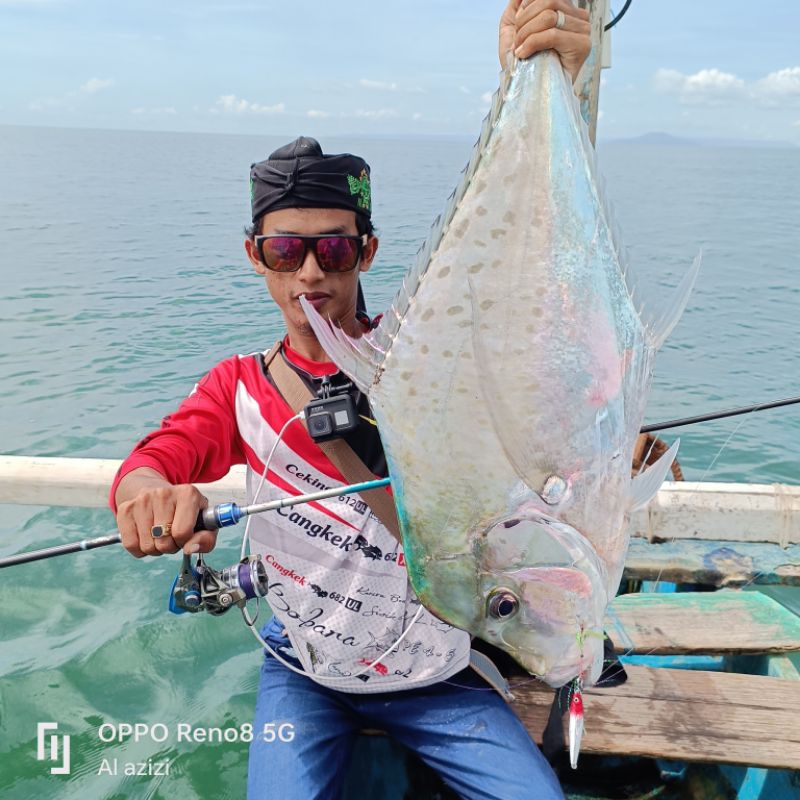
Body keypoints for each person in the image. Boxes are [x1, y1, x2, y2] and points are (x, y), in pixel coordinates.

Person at [111, 3, 591, 798]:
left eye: (334, 248)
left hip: (438, 674)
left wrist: (551, 82)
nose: (311, 273)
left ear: (366, 251)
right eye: (285, 251)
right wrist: (148, 499)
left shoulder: (422, 364)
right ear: (255, 257)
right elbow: (151, 463)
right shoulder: (238, 387)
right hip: (304, 671)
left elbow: (528, 311)